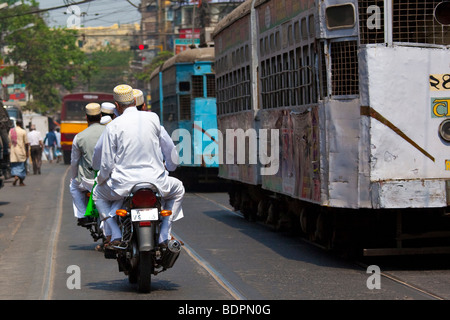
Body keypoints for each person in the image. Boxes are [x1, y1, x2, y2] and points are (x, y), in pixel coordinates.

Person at [93, 84, 184, 246]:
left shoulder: (113, 126)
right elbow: (169, 149)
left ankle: (115, 234)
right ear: (135, 101)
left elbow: (106, 164)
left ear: (117, 106)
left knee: (97, 194)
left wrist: (100, 180)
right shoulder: (153, 118)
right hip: (156, 182)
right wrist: (170, 168)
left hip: (124, 186)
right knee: (178, 189)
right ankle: (164, 234)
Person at [70, 103, 106, 227]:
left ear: (86, 117)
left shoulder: (79, 137)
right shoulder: (109, 132)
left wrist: (74, 177)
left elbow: (74, 161)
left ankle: (81, 215)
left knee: (73, 186)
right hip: (107, 179)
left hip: (87, 180)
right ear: (100, 116)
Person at [9, 119, 29, 186]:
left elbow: (9, 142)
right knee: (21, 167)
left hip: (13, 152)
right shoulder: (23, 131)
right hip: (21, 151)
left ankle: (16, 176)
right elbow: (26, 143)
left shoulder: (11, 131)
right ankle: (21, 182)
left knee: (14, 166)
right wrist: (27, 152)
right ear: (21, 124)